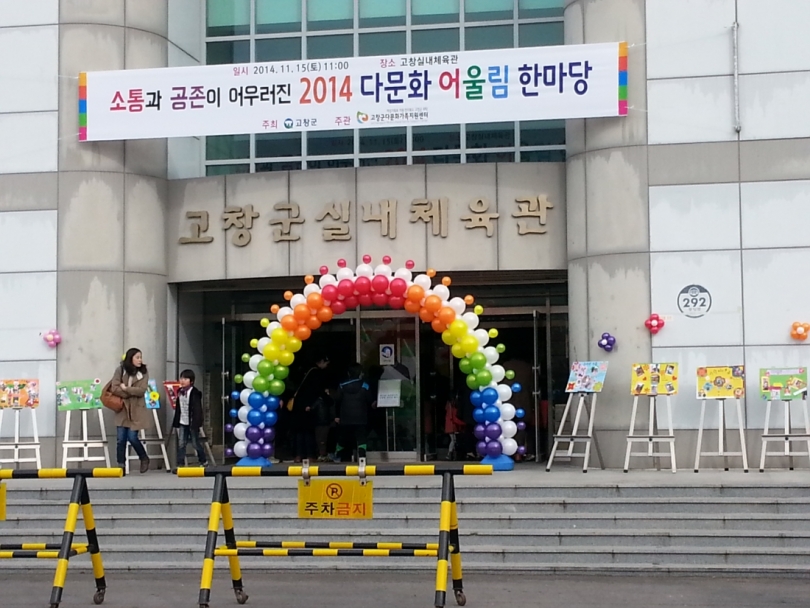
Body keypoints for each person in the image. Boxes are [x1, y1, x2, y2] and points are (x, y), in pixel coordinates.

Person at [110, 348, 151, 474]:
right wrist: (129, 392)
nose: (140, 360)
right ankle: (121, 465)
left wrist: (126, 389)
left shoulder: (143, 372)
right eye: (137, 357)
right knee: (120, 439)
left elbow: (141, 391)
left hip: (137, 409)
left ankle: (143, 457)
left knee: (132, 437)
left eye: (141, 357)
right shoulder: (120, 370)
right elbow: (114, 387)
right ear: (130, 358)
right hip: (122, 408)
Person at [290, 354, 330, 463]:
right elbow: (316, 390)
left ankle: (298, 455)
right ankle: (310, 455)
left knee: (298, 432)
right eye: (326, 363)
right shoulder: (316, 373)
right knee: (308, 432)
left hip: (298, 405)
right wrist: (327, 399)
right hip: (308, 405)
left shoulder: (303, 371)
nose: (327, 366)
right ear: (321, 361)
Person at [334, 363, 375, 462]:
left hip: (345, 416)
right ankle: (362, 457)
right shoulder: (365, 385)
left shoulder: (342, 385)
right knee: (361, 437)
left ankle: (338, 455)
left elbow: (337, 401)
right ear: (360, 373)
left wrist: (336, 415)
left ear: (348, 373)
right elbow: (370, 400)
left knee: (343, 437)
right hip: (361, 416)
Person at [171, 369, 208, 470]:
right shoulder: (180, 392)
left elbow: (197, 410)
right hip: (182, 421)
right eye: (181, 378)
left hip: (192, 422)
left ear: (191, 381)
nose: (182, 380)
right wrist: (176, 421)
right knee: (181, 443)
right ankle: (180, 464)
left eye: (185, 379)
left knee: (195, 443)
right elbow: (178, 408)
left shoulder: (194, 393)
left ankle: (203, 460)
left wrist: (197, 422)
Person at [444, 391, 466, 460]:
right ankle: (449, 454)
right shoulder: (452, 407)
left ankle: (451, 454)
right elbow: (454, 418)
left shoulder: (449, 406)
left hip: (451, 425)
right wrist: (463, 424)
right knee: (453, 440)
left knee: (453, 440)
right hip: (452, 426)